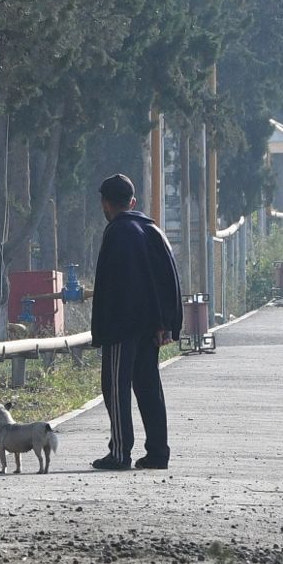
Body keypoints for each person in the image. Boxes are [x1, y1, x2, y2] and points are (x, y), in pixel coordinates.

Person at [85, 170, 181, 470]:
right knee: (149, 386)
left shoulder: (115, 233)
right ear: (133, 201)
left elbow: (108, 287)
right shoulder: (153, 230)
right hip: (150, 327)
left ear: (105, 204)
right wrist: (167, 324)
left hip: (121, 327)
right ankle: (157, 453)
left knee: (115, 388)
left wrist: (102, 332)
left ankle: (119, 453)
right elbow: (170, 280)